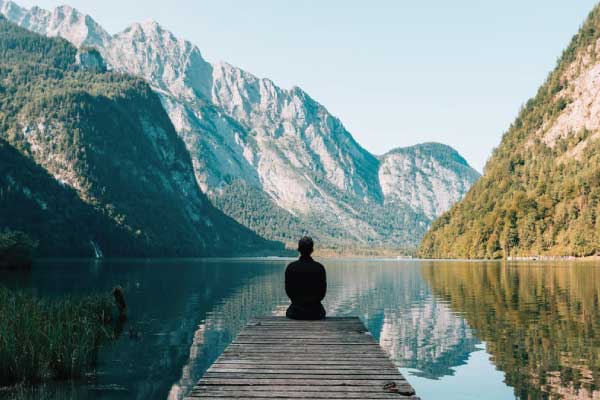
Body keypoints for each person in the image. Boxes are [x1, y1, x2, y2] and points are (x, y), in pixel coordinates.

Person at [285, 236, 327, 320]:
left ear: (298, 249)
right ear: (312, 250)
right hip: (316, 313)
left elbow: (288, 291)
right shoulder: (319, 268)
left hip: (295, 312)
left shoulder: (291, 267)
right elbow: (322, 293)